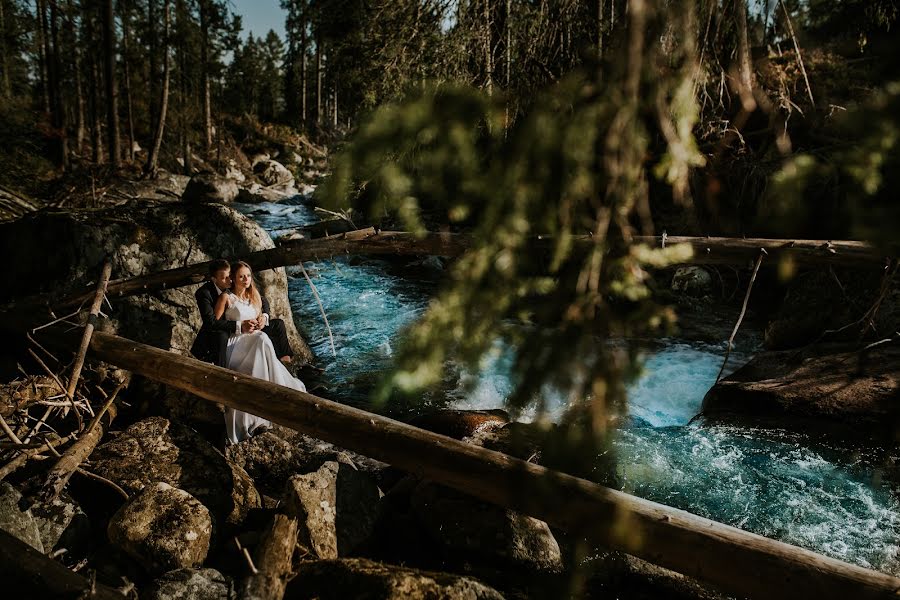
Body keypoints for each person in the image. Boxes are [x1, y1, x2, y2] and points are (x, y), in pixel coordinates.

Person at [214, 261, 307, 444]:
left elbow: (263, 308)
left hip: (254, 340)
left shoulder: (253, 294)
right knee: (261, 339)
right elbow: (215, 324)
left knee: (261, 338)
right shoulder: (226, 297)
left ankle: (272, 387)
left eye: (248, 275)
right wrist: (241, 326)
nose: (246, 279)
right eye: (241, 276)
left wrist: (261, 320)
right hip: (236, 343)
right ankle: (275, 389)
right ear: (233, 278)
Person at [191, 259, 295, 367]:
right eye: (224, 278)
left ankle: (285, 362)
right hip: (222, 330)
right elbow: (211, 322)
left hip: (247, 328)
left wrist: (264, 316)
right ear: (214, 279)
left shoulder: (235, 284)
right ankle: (221, 369)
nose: (229, 280)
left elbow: (263, 301)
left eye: (230, 276)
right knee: (221, 336)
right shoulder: (204, 293)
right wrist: (240, 326)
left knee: (277, 325)